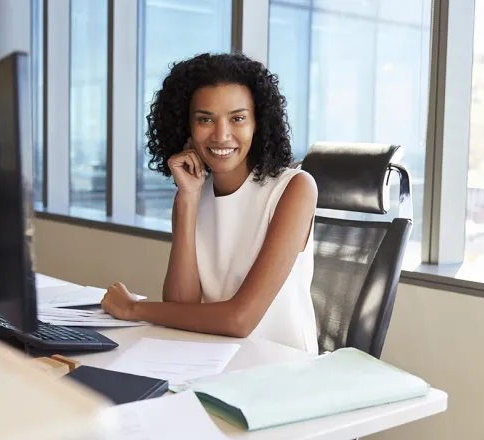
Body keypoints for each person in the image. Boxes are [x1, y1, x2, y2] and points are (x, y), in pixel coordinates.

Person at [100, 53, 319, 353]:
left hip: (278, 369)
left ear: (258, 123)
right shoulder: (193, 193)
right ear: (187, 126)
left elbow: (241, 320)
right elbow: (180, 306)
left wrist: (133, 309)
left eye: (237, 118)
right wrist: (187, 199)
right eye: (205, 119)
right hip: (210, 359)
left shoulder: (294, 189)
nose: (221, 135)